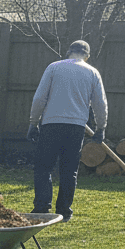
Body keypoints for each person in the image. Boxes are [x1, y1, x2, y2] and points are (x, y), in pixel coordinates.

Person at [27, 39, 108, 223]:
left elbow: (40, 97)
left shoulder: (54, 67)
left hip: (51, 124)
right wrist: (101, 127)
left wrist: (33, 122)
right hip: (76, 127)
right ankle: (64, 211)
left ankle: (42, 207)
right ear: (87, 56)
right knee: (69, 170)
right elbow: (100, 104)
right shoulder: (92, 72)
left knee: (43, 168)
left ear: (69, 51)